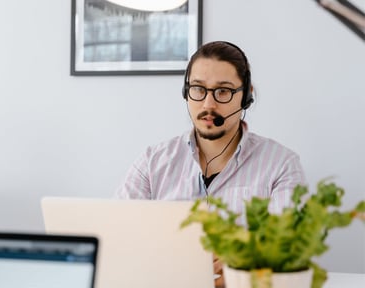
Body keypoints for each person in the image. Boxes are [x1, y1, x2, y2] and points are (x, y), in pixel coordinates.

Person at [115, 41, 306, 286]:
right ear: (187, 93)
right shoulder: (152, 162)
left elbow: (291, 248)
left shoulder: (281, 164)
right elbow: (118, 235)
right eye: (198, 89)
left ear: (245, 97)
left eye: (223, 91)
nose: (208, 104)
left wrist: (247, 263)